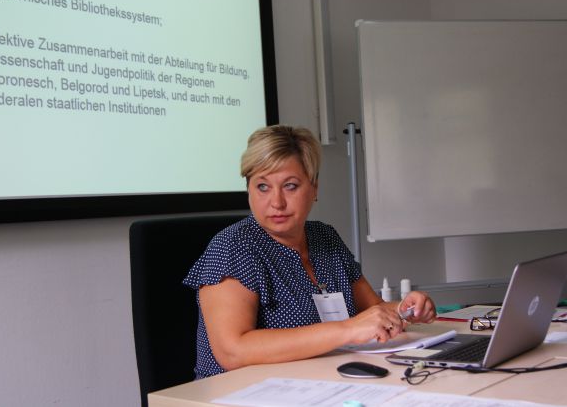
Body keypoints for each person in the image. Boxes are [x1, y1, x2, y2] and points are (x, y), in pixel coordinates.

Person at [183, 125, 436, 379]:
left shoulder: (325, 237)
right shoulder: (233, 246)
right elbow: (232, 351)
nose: (277, 202)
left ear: (314, 188)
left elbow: (372, 310)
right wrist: (347, 329)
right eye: (263, 187)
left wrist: (404, 310)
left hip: (323, 382)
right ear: (248, 189)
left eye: (290, 186)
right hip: (242, 392)